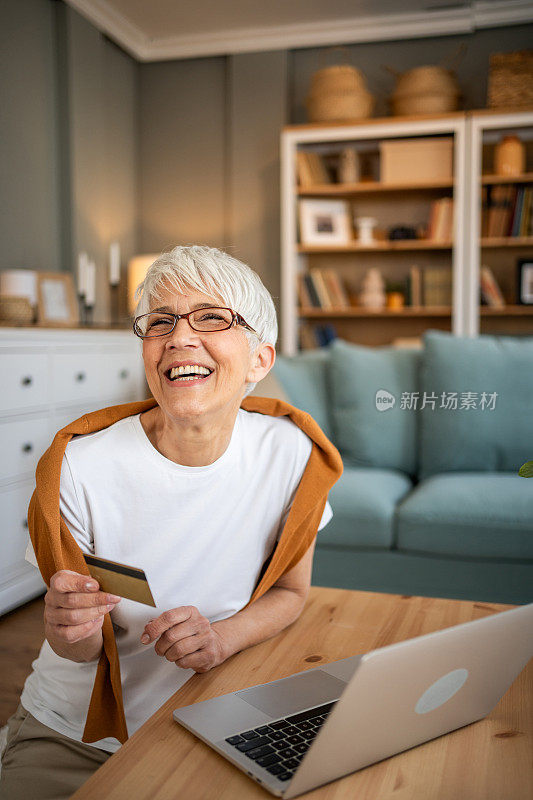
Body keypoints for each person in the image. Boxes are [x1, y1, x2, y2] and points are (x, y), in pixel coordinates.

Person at [0, 245, 340, 799]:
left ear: (260, 359)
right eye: (160, 323)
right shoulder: (78, 467)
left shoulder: (294, 454)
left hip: (214, 718)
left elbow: (292, 592)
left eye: (211, 318)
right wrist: (70, 630)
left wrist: (222, 638)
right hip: (76, 735)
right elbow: (84, 649)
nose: (179, 338)